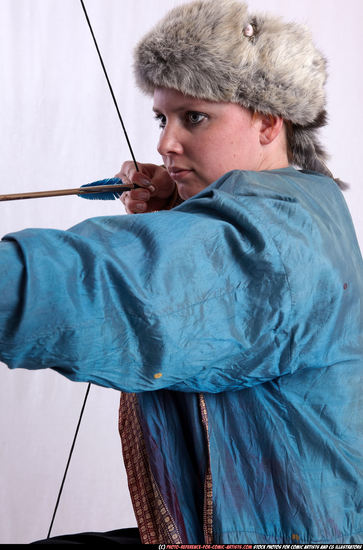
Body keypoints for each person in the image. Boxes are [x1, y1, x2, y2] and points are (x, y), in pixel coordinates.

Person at [1, 0, 362, 544]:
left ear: (269, 120)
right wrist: (179, 214)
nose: (166, 143)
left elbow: (105, 290)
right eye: (162, 118)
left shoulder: (267, 242)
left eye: (195, 117)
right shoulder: (306, 201)